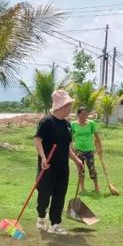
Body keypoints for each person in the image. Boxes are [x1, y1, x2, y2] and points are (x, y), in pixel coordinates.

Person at [34, 90, 84, 235]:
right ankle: (41, 217)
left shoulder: (67, 125)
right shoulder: (46, 122)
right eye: (68, 105)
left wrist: (76, 160)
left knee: (59, 195)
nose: (70, 108)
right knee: (44, 195)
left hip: (62, 167)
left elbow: (66, 147)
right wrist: (43, 157)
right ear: (60, 106)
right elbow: (38, 140)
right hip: (48, 166)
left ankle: (55, 224)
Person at [71, 107, 103, 193]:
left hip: (89, 150)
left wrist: (100, 148)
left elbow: (97, 136)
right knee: (80, 170)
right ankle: (82, 188)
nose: (85, 116)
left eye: (86, 114)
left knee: (92, 169)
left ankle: (96, 187)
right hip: (78, 151)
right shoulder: (73, 124)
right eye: (83, 114)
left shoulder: (91, 123)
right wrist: (71, 148)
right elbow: (69, 138)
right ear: (78, 114)